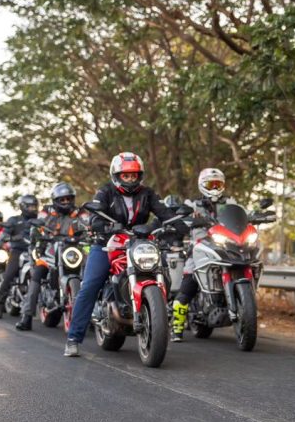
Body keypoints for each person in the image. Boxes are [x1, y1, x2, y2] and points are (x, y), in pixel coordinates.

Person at [63, 152, 183, 357]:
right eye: (125, 175)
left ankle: (158, 312)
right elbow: (95, 217)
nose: (130, 179)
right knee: (90, 286)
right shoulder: (105, 191)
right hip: (107, 243)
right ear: (116, 175)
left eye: (134, 175)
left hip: (139, 243)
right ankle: (74, 339)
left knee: (162, 269)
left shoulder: (147, 193)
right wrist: (107, 225)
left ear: (139, 175)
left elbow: (164, 214)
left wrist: (178, 225)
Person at [170, 168, 236, 342]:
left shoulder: (231, 202)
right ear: (202, 185)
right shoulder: (192, 204)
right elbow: (181, 218)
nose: (214, 187)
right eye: (210, 184)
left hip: (226, 247)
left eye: (218, 184)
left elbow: (241, 215)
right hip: (200, 249)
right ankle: (176, 327)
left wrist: (254, 216)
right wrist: (188, 217)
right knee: (187, 286)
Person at [15, 183, 89, 331]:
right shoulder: (47, 211)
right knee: (37, 273)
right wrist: (38, 234)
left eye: (69, 199)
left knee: (92, 272)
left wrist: (91, 230)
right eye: (62, 200)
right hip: (50, 250)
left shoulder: (80, 212)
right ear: (56, 200)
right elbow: (38, 226)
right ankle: (27, 316)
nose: (66, 202)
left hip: (74, 251)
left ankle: (95, 314)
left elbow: (88, 224)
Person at [0, 195, 40, 318]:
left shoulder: (40, 220)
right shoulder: (14, 220)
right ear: (23, 207)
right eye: (30, 206)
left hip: (37, 251)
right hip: (18, 251)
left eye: (35, 206)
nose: (33, 209)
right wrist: (5, 238)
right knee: (8, 276)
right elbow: (3, 234)